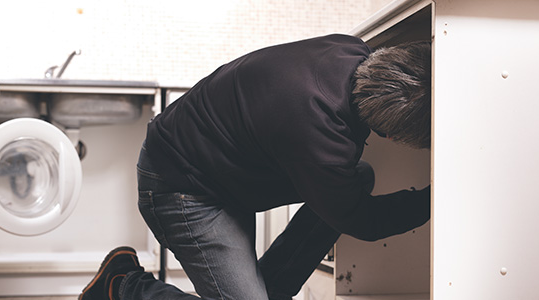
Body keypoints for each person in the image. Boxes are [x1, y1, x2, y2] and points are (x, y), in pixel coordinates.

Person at [79, 34, 431, 300]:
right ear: (386, 130)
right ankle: (123, 284)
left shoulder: (351, 51)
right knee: (348, 197)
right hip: (181, 186)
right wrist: (432, 202)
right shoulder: (318, 134)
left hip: (217, 167)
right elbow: (362, 221)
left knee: (358, 178)